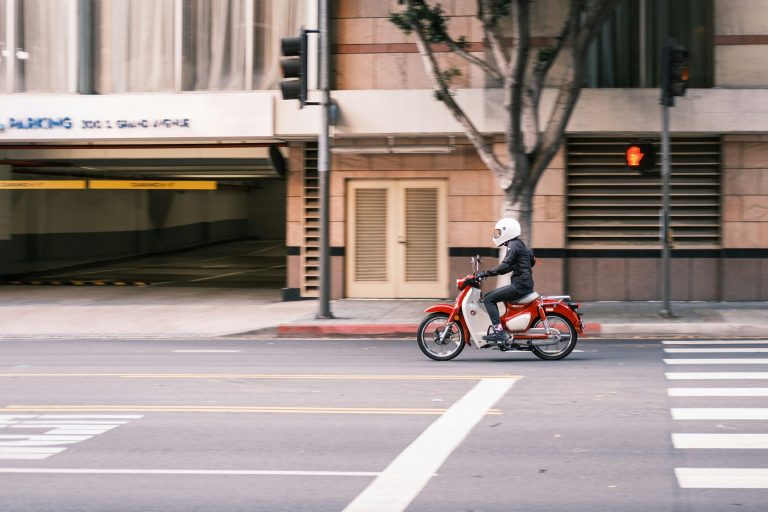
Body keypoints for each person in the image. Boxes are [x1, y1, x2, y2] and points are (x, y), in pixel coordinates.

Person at [474, 217, 536, 345]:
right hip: (524, 283)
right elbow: (528, 262)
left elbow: (504, 265)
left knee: (488, 298)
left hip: (520, 285)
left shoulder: (513, 245)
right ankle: (502, 329)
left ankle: (499, 332)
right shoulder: (519, 243)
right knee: (494, 297)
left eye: (499, 232)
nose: (498, 235)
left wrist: (485, 273)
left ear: (507, 231)